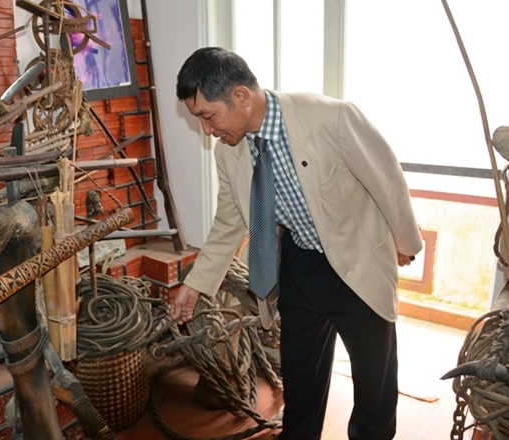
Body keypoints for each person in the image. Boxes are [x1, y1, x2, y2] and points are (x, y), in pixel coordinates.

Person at [169, 47, 423, 440]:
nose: (206, 130)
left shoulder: (332, 118)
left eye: (207, 116)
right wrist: (195, 283)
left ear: (240, 96)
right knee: (301, 383)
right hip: (300, 268)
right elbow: (229, 221)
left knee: (374, 385)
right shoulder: (229, 153)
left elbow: (387, 180)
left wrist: (405, 243)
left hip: (358, 264)